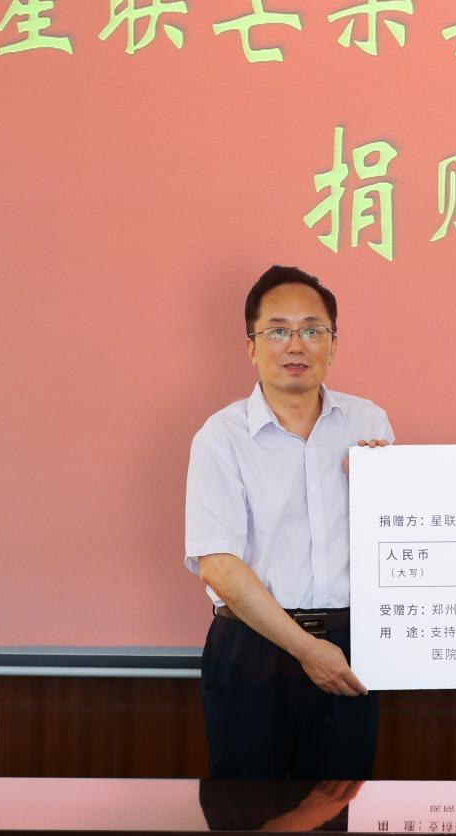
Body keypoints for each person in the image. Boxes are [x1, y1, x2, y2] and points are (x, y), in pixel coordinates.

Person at [184, 265, 393, 779]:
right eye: (277, 331)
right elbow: (219, 566)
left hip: (350, 646)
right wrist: (307, 650)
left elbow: (393, 540)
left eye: (312, 330)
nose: (295, 345)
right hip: (252, 652)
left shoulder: (368, 423)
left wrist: (386, 489)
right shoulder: (221, 436)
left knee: (344, 803)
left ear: (333, 343)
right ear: (252, 347)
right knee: (249, 807)